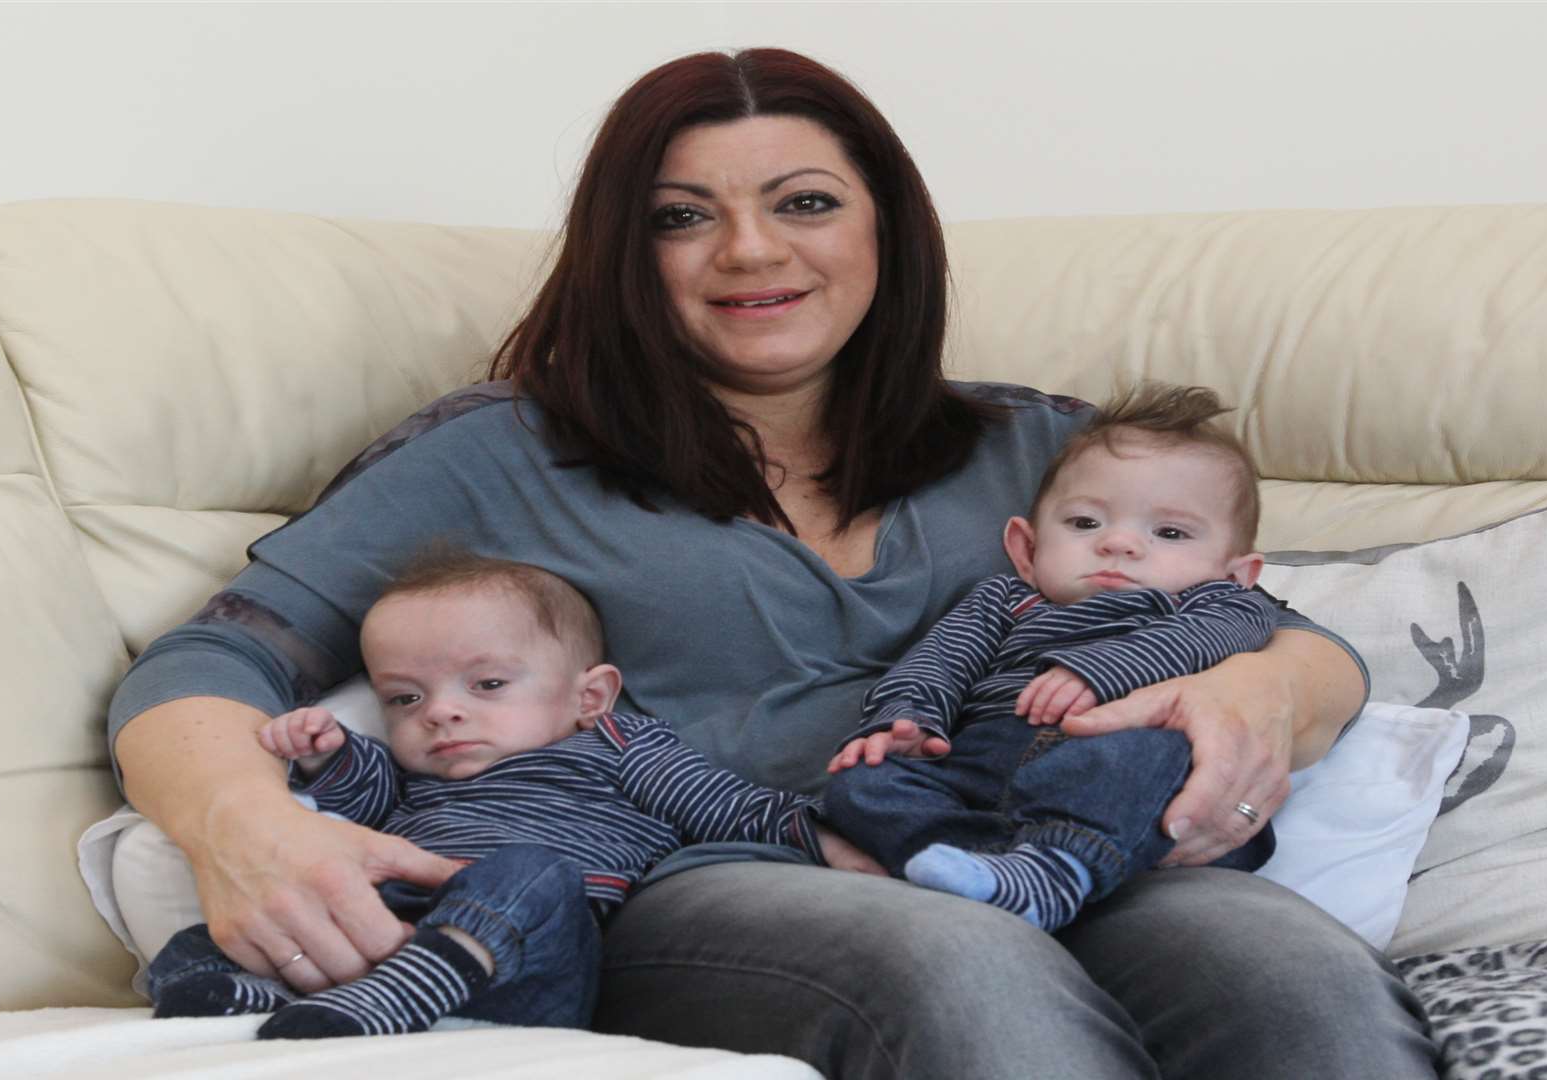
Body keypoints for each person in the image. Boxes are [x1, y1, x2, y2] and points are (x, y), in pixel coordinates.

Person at [108, 47, 1434, 1079]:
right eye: (686, 218)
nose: (752, 251)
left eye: (805, 203)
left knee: (1288, 969)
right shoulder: (494, 451)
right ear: (630, 257)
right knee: (957, 968)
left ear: (886, 232)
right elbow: (213, 658)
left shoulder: (1041, 446)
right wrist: (245, 824)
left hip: (1034, 849)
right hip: (701, 889)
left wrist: (1276, 694)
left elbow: (1270, 621)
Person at [145, 550, 874, 1039]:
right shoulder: (420, 777)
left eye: (487, 684)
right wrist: (327, 755)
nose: (441, 711)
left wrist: (829, 839)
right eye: (404, 697)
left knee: (533, 871)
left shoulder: (619, 745)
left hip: (537, 958)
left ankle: (399, 996)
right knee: (207, 934)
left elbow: (729, 806)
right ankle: (267, 997)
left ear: (591, 695)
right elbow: (364, 809)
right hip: (387, 934)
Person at [822, 383, 1281, 932]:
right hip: (978, 768)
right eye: (1085, 523)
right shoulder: (1002, 601)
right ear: (1026, 547)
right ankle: (985, 869)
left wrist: (1104, 669)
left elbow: (1218, 633)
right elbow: (938, 664)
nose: (1120, 543)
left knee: (1147, 750)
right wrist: (907, 721)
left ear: (1237, 572)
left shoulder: (1215, 601)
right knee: (859, 781)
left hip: (1120, 768)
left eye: (1170, 532)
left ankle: (1057, 869)